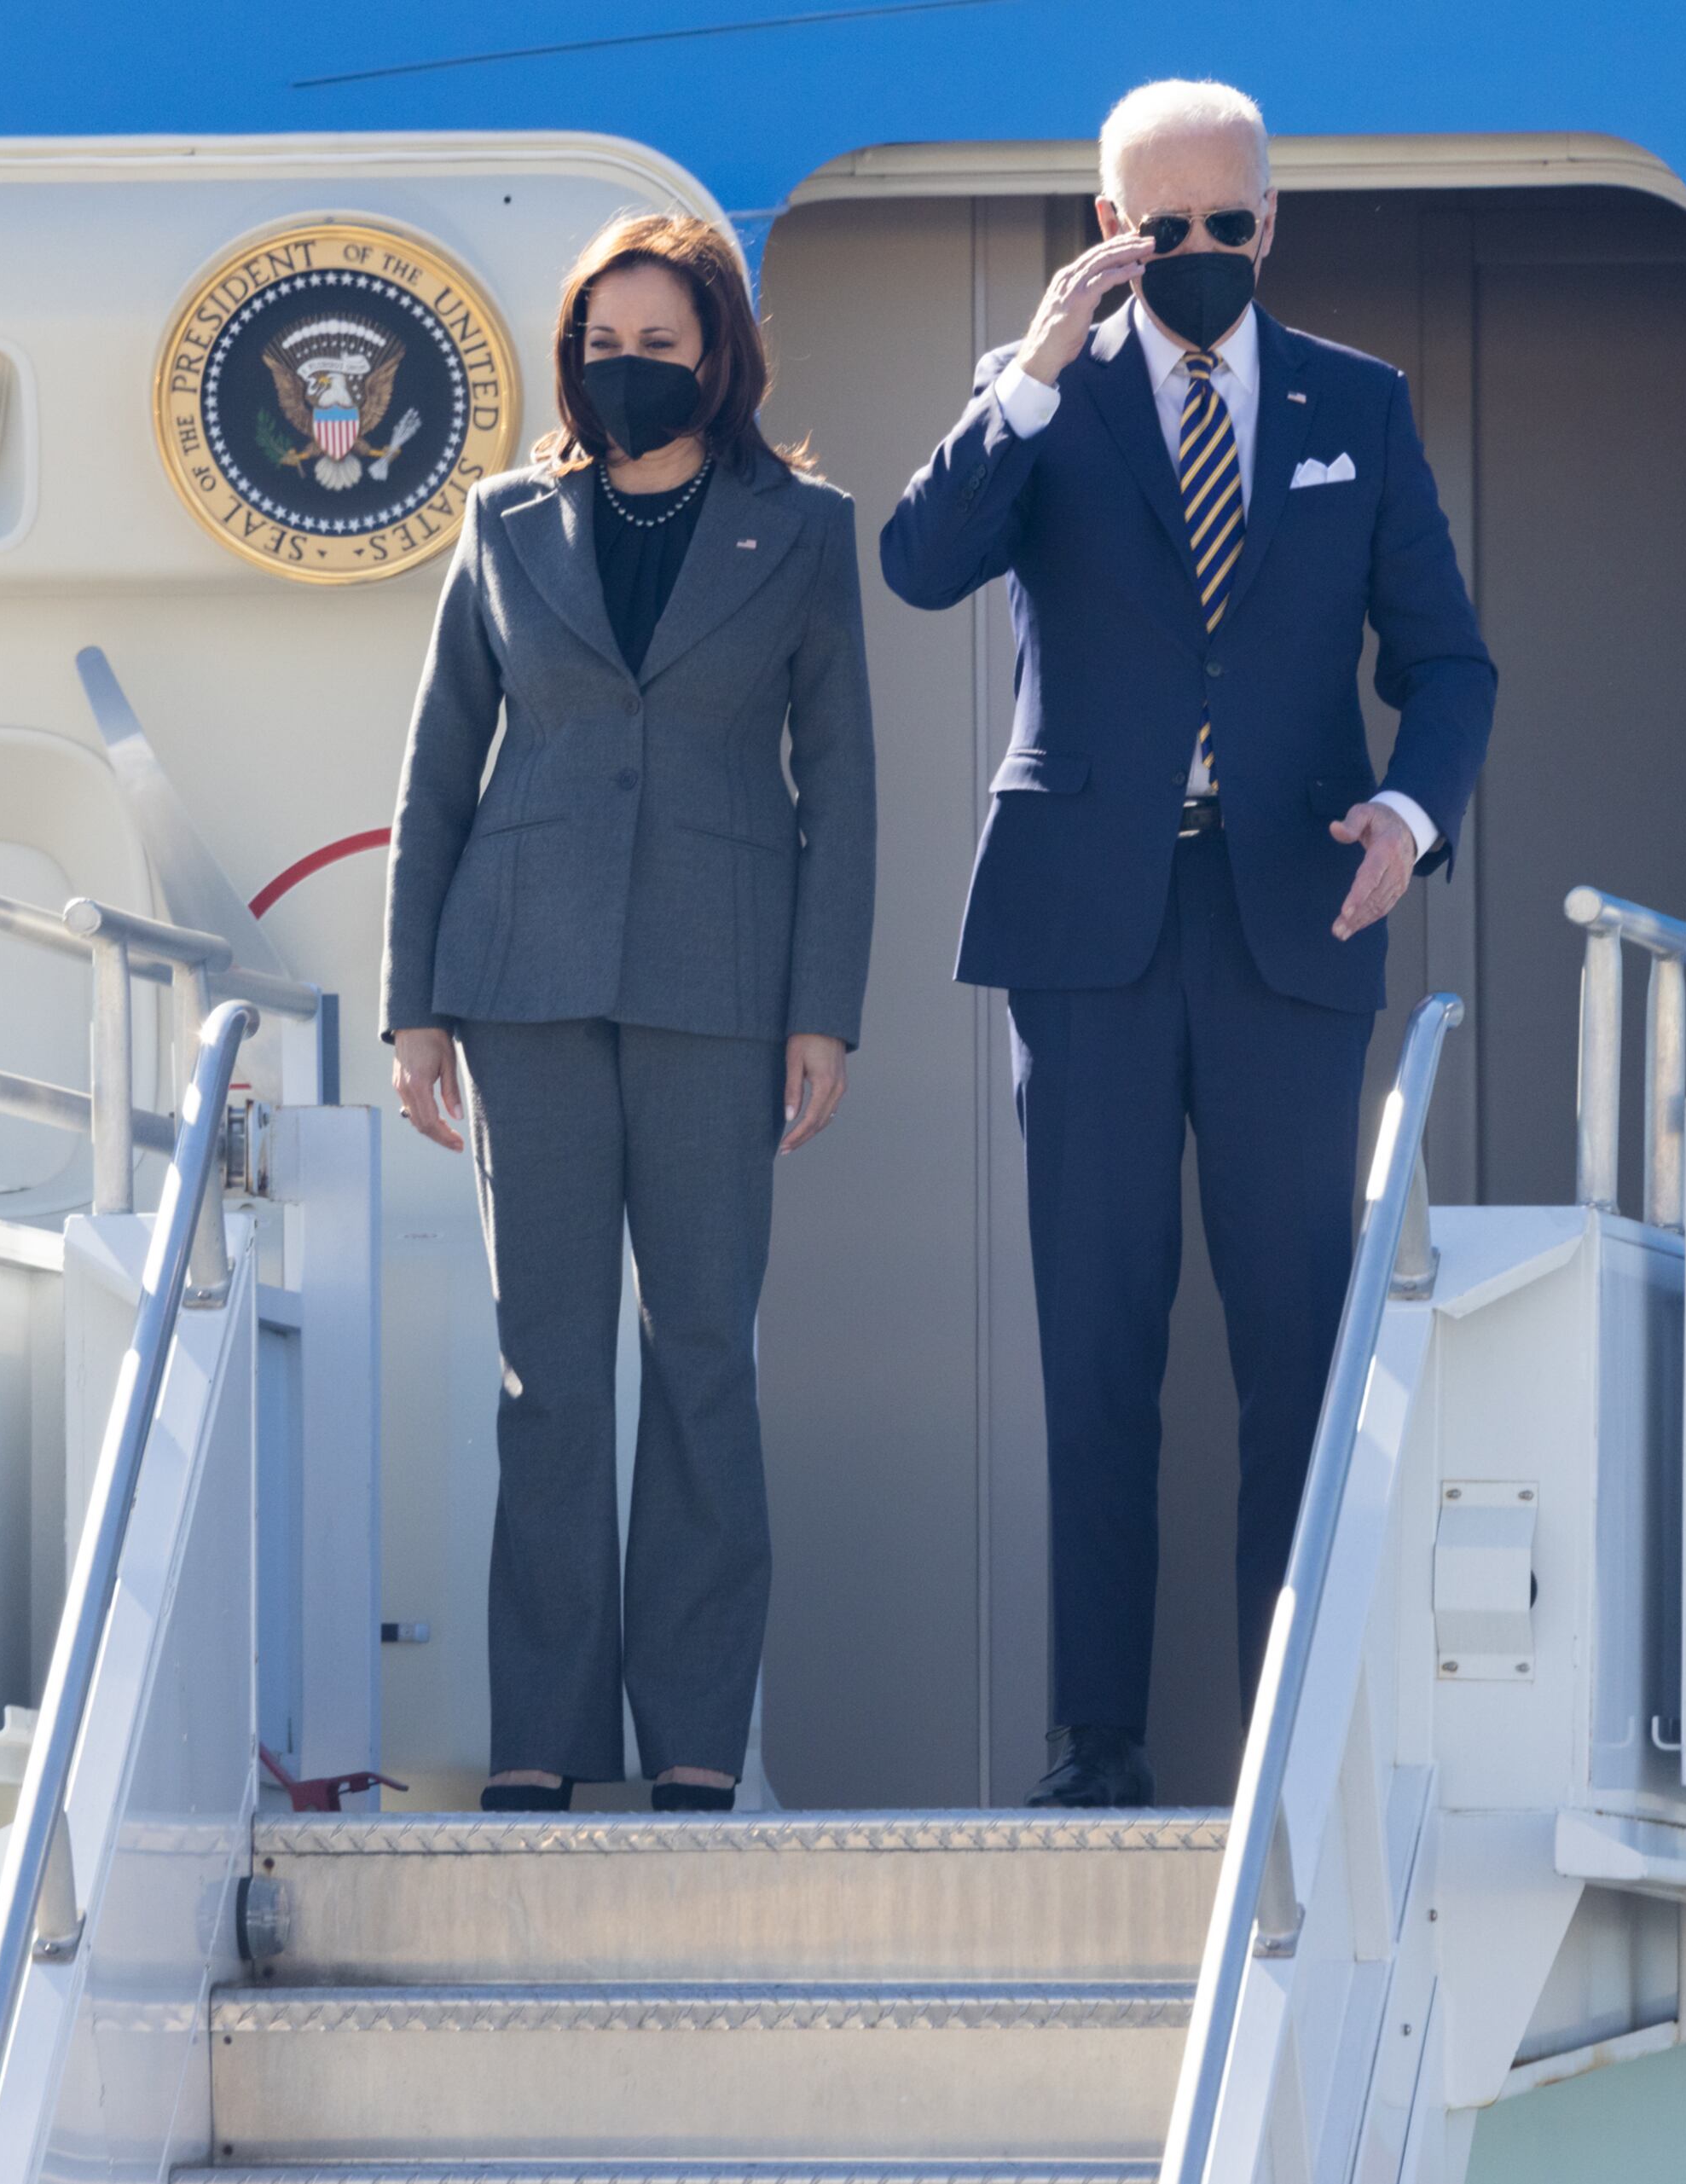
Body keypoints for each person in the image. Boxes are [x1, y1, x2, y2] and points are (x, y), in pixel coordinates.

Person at [880, 81, 1494, 1806]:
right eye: (1168, 230)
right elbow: (919, 563)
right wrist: (1031, 369)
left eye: (1232, 226)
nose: (1203, 255)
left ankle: (1295, 1737)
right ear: (1111, 230)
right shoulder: (1046, 407)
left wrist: (1410, 812)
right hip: (1088, 931)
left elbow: (1449, 663)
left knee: (1298, 1338)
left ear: (1273, 224)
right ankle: (1095, 1743)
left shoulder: (1353, 405)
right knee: (1099, 1337)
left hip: (1291, 918)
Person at [381, 211, 878, 1813]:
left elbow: (844, 793)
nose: (630, 372)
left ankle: (690, 1745)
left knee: (703, 1361)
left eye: (661, 347)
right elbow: (438, 768)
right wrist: (415, 1009)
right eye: (605, 348)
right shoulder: (504, 521)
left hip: (720, 992)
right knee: (549, 1373)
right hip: (520, 983)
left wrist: (825, 1011)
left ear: (718, 357)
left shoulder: (803, 530)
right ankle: (537, 1740)